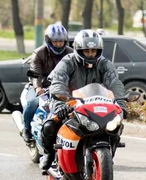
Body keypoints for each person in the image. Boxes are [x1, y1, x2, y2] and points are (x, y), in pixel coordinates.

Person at [39, 29, 127, 171]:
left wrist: (121, 105)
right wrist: (60, 104)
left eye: (94, 51)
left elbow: (115, 83)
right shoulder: (67, 62)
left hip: (96, 103)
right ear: (78, 50)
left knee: (116, 124)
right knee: (50, 125)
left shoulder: (104, 64)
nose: (91, 54)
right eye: (87, 51)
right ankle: (48, 154)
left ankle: (108, 155)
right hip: (69, 101)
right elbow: (58, 83)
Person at [21, 24, 73, 143]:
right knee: (32, 104)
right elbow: (35, 74)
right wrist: (38, 87)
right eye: (55, 42)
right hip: (42, 87)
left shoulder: (71, 53)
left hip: (63, 87)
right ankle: (26, 129)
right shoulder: (39, 53)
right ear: (49, 41)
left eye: (61, 41)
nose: (59, 44)